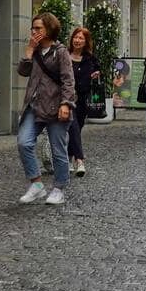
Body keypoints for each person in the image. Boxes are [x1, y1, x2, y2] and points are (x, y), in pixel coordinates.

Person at [15, 11, 75, 206]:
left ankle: (59, 188)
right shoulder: (34, 49)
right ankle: (37, 184)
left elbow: (68, 80)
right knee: (24, 142)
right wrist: (29, 51)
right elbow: (23, 71)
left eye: (38, 28)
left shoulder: (61, 52)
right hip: (34, 105)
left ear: (49, 29)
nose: (34, 32)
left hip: (56, 107)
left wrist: (66, 104)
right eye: (33, 28)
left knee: (58, 150)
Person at [66, 26, 100, 178]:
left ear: (86, 42)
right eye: (76, 37)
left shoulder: (90, 58)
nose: (77, 40)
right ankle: (80, 161)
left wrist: (97, 74)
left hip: (83, 99)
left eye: (81, 38)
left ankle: (68, 158)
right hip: (67, 98)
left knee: (77, 129)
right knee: (72, 127)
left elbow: (99, 71)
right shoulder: (65, 56)